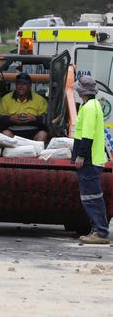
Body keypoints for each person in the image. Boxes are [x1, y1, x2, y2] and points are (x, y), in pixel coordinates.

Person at [73, 76, 110, 244]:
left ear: (82, 92)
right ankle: (97, 230)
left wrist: (81, 156)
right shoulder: (94, 105)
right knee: (93, 196)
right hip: (94, 159)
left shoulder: (88, 108)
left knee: (91, 197)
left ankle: (100, 232)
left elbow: (87, 136)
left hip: (89, 160)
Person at [0, 72, 48, 141]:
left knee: (43, 134)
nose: (21, 86)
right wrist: (10, 119)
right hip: (12, 133)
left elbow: (47, 120)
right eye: (19, 84)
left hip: (34, 133)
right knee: (5, 133)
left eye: (24, 84)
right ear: (15, 85)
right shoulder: (6, 99)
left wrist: (34, 119)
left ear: (30, 86)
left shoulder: (40, 100)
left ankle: (38, 151)